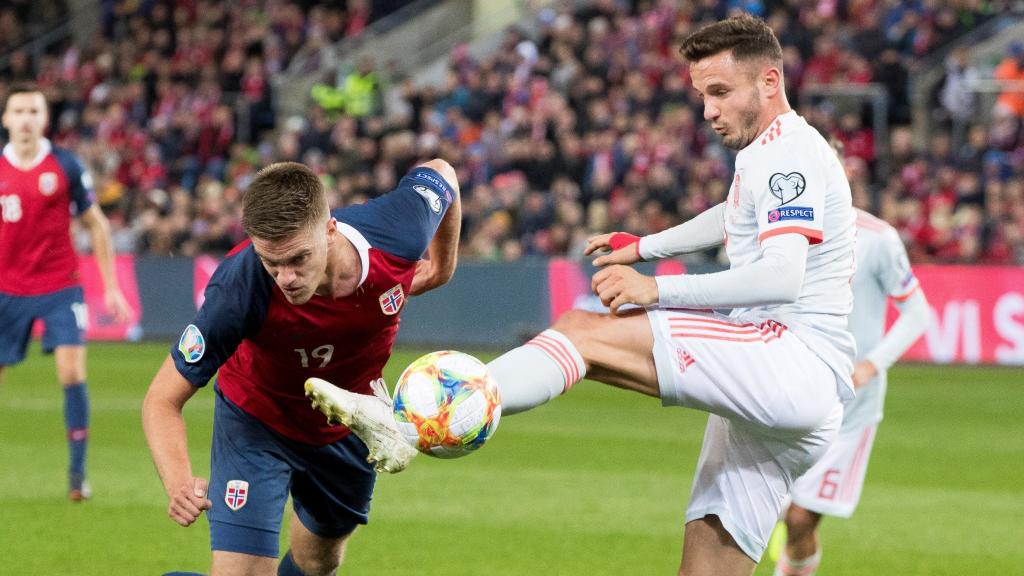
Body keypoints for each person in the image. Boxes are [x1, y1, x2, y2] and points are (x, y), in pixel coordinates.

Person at [306, 14, 855, 576]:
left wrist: (655, 289)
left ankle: (410, 425)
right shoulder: (767, 152)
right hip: (788, 396)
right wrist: (644, 246)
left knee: (583, 332)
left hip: (790, 357)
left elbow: (782, 276)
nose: (708, 110)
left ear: (769, 81)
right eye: (701, 95)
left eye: (719, 92)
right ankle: (422, 420)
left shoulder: (793, 152)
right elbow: (734, 214)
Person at [141, 159, 460, 576]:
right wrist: (179, 481)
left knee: (317, 563)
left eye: (297, 259)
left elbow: (444, 173)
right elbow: (161, 399)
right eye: (271, 262)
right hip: (257, 421)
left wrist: (441, 269)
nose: (285, 277)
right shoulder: (239, 287)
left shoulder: (398, 230)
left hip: (350, 421)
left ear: (329, 229)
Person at [772, 207, 929, 576]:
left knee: (799, 519)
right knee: (762, 509)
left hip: (850, 407)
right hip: (788, 389)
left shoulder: (877, 238)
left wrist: (871, 366)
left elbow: (917, 312)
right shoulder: (779, 226)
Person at [0, 84, 131, 501]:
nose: (25, 118)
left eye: (33, 110)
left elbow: (97, 223)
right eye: (17, 110)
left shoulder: (65, 166)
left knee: (72, 372)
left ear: (44, 119)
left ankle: (77, 475)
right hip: (6, 288)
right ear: (5, 119)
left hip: (60, 285)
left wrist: (111, 288)